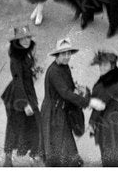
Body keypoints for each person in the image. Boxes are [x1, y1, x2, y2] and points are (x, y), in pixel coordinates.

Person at [39, 40, 87, 168]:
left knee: (61, 140)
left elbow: (69, 86)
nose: (67, 57)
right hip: (52, 112)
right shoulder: (54, 72)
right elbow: (65, 93)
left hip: (60, 109)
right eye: (63, 54)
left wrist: (77, 89)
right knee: (59, 140)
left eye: (69, 53)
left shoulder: (64, 66)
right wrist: (83, 101)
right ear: (57, 55)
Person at [0, 31, 42, 166]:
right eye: (22, 38)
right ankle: (8, 158)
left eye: (28, 37)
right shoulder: (15, 59)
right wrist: (25, 104)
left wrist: (33, 73)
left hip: (27, 92)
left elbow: (25, 74)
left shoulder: (26, 53)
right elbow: (18, 81)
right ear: (16, 41)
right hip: (17, 96)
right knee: (16, 125)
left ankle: (34, 154)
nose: (26, 40)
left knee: (32, 124)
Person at [88, 55, 118, 167]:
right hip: (117, 117)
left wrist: (92, 122)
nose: (101, 67)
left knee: (113, 153)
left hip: (113, 122)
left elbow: (101, 101)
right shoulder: (114, 75)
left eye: (105, 64)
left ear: (112, 65)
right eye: (100, 64)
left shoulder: (111, 80)